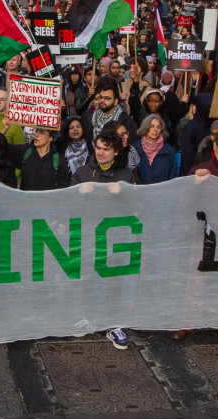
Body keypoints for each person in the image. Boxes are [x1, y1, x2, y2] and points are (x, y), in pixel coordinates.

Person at [70, 130, 135, 349]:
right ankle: (87, 317)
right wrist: (79, 193)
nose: (100, 152)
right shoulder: (82, 172)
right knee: (87, 277)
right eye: (98, 147)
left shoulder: (125, 174)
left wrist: (124, 193)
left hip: (115, 236)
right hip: (88, 234)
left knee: (113, 279)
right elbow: (66, 203)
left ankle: (114, 324)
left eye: (106, 149)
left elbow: (135, 206)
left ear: (116, 152)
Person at [131, 114, 177, 185]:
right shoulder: (135, 149)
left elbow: (173, 176)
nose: (155, 130)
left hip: (162, 192)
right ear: (146, 127)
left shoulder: (168, 150)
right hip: (140, 192)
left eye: (158, 127)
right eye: (152, 126)